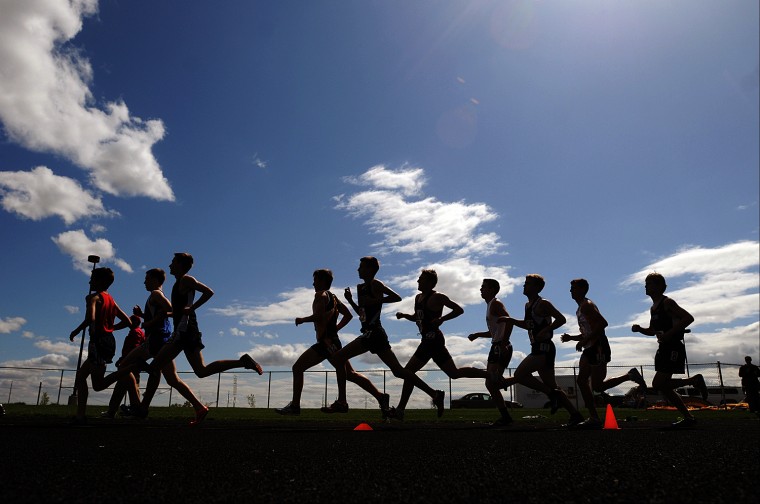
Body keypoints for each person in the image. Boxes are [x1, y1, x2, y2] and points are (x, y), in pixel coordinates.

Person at [140, 253, 264, 425]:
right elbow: (178, 311)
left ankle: (140, 408)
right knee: (201, 371)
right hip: (183, 330)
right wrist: (164, 314)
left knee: (154, 367)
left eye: (173, 262)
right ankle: (241, 364)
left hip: (185, 331)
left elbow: (208, 292)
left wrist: (192, 307)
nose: (169, 265)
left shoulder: (186, 280)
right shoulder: (178, 283)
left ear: (181, 265)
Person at [329, 257, 445, 416]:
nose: (358, 270)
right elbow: (362, 314)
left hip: (374, 333)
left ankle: (342, 402)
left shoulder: (375, 284)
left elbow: (397, 297)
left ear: (370, 269)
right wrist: (350, 301)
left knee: (338, 358)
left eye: (361, 267)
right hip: (370, 332)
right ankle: (434, 394)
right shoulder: (360, 287)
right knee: (398, 371)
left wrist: (378, 300)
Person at [276, 269, 390, 416]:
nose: (313, 283)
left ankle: (295, 406)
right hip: (334, 341)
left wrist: (303, 319)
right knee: (349, 374)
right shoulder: (334, 297)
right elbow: (348, 315)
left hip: (326, 343)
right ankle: (381, 397)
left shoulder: (320, 295)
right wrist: (336, 328)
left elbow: (318, 317)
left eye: (315, 280)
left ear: (322, 281)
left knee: (297, 367)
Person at [114, 268, 209, 424]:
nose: (144, 282)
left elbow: (169, 309)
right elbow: (164, 314)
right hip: (163, 339)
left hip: (156, 340)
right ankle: (199, 407)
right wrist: (144, 316)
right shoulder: (155, 296)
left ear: (155, 280)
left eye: (147, 279)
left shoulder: (156, 294)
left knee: (124, 365)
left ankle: (137, 405)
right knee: (172, 379)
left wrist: (148, 323)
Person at [390, 269, 487, 421]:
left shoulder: (438, 297)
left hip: (433, 339)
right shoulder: (418, 298)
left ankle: (407, 407)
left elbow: (459, 310)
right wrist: (404, 316)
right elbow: (417, 317)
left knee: (408, 372)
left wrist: (442, 319)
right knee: (453, 373)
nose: (417, 281)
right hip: (428, 340)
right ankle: (487, 374)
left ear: (429, 282)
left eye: (420, 279)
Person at [560, 278, 648, 429]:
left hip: (598, 346)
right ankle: (593, 417)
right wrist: (572, 338)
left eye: (573, 288)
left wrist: (583, 340)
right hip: (590, 347)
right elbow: (588, 332)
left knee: (598, 386)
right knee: (582, 381)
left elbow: (602, 324)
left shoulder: (587, 306)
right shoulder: (581, 308)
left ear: (582, 289)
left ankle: (629, 376)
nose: (570, 291)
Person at [500, 274, 584, 426]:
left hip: (544, 348)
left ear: (537, 287)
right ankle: (575, 414)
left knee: (519, 375)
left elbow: (561, 319)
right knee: (552, 385)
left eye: (527, 283)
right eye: (524, 283)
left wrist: (547, 329)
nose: (524, 286)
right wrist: (511, 320)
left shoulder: (543, 303)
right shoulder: (528, 305)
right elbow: (528, 324)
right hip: (538, 347)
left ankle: (552, 395)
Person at [631, 272, 707, 428]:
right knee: (663, 386)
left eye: (649, 283)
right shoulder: (653, 308)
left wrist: (669, 334)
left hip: (673, 346)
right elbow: (653, 330)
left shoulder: (668, 303)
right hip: (664, 346)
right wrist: (640, 329)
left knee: (658, 384)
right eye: (646, 283)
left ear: (660, 286)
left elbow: (688, 318)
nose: (646, 286)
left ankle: (693, 381)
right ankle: (688, 417)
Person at [68, 267, 131, 424]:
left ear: (101, 281)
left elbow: (91, 318)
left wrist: (75, 331)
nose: (90, 281)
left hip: (98, 342)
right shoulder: (110, 299)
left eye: (93, 278)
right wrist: (111, 328)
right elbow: (128, 321)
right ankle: (80, 416)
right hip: (108, 340)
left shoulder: (93, 298)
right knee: (81, 377)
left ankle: (127, 371)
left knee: (98, 385)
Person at [467, 278, 516, 426]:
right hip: (495, 345)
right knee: (491, 383)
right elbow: (494, 332)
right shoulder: (489, 305)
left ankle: (520, 378)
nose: (480, 289)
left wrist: (503, 342)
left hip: (500, 346)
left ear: (492, 289)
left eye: (484, 287)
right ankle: (505, 416)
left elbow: (509, 321)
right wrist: (478, 335)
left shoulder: (496, 303)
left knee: (491, 382)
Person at [101, 314, 145, 418]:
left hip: (129, 365)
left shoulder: (135, 333)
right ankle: (112, 411)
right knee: (122, 388)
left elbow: (133, 349)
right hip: (132, 364)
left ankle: (135, 409)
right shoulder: (139, 332)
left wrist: (122, 360)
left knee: (126, 388)